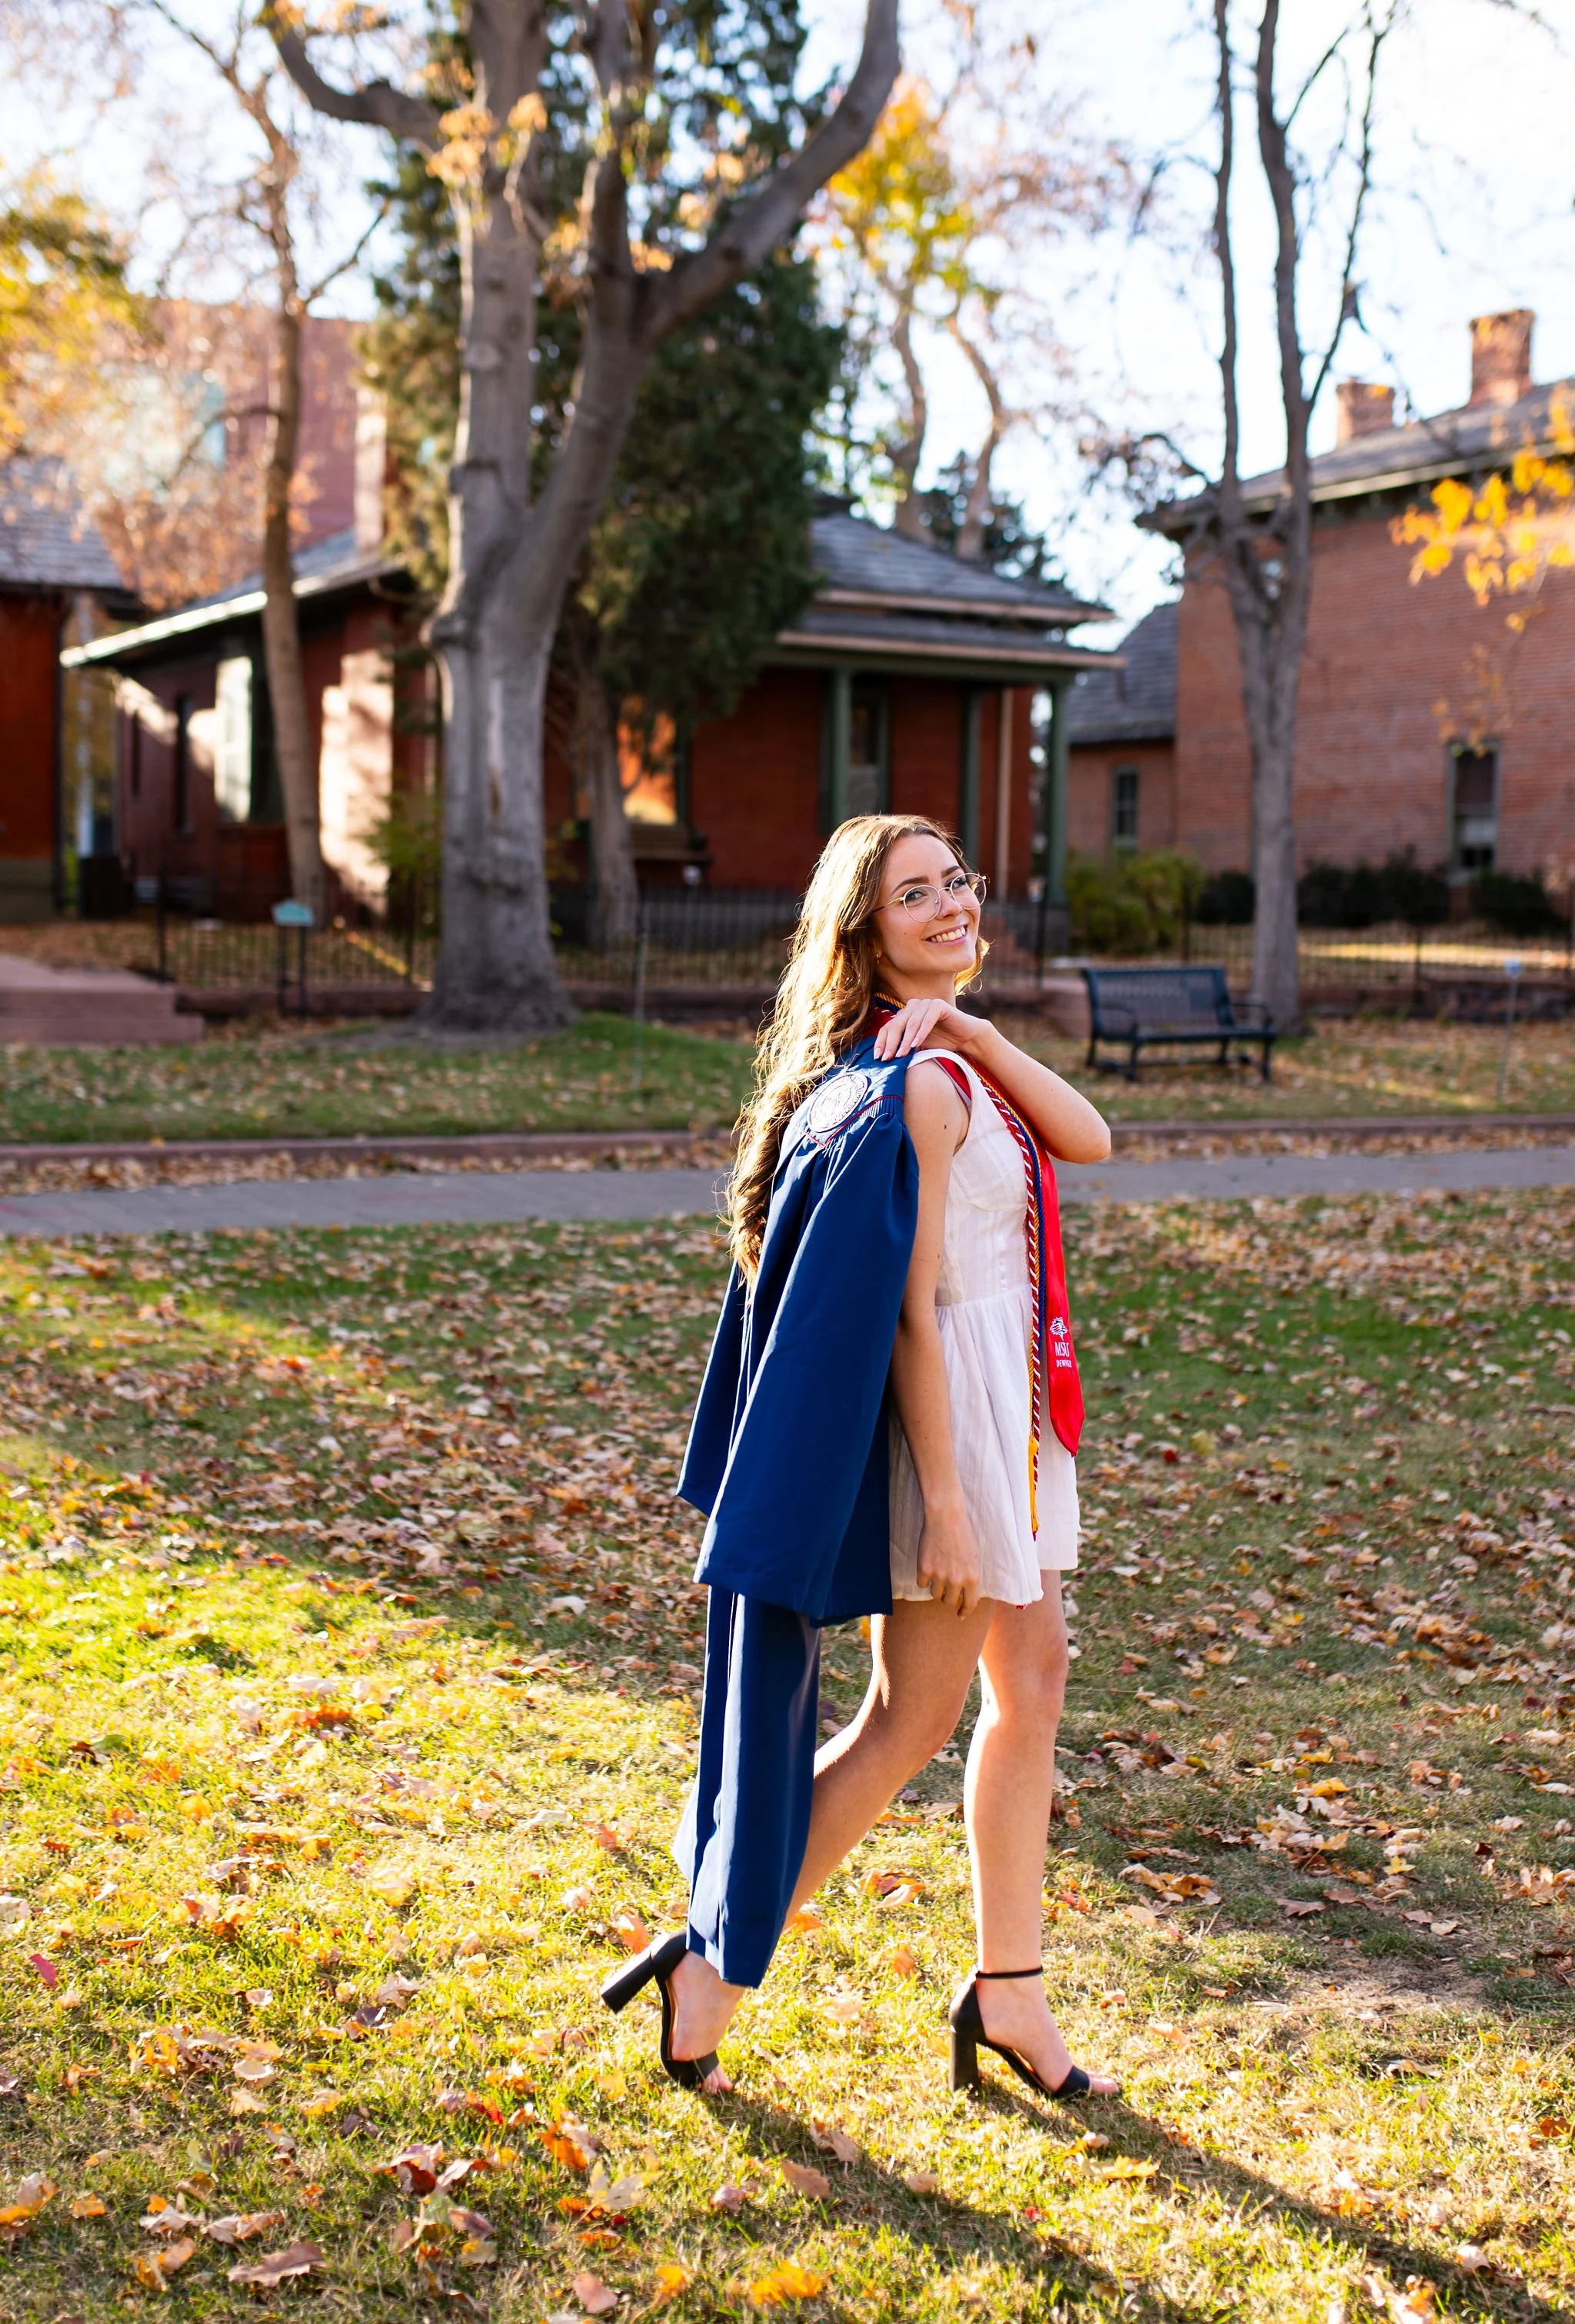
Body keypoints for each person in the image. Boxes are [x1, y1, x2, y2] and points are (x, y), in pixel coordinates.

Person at [602, 813, 1118, 2106]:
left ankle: (1010, 1989)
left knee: (1034, 1678)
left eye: (958, 881)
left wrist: (982, 1030)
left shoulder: (956, 1058)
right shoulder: (919, 1088)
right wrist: (945, 1501)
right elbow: (906, 1310)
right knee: (910, 1720)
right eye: (915, 893)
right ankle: (711, 1959)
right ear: (867, 930)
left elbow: (1091, 1138)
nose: (950, 903)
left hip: (1015, 1416)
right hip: (954, 1434)